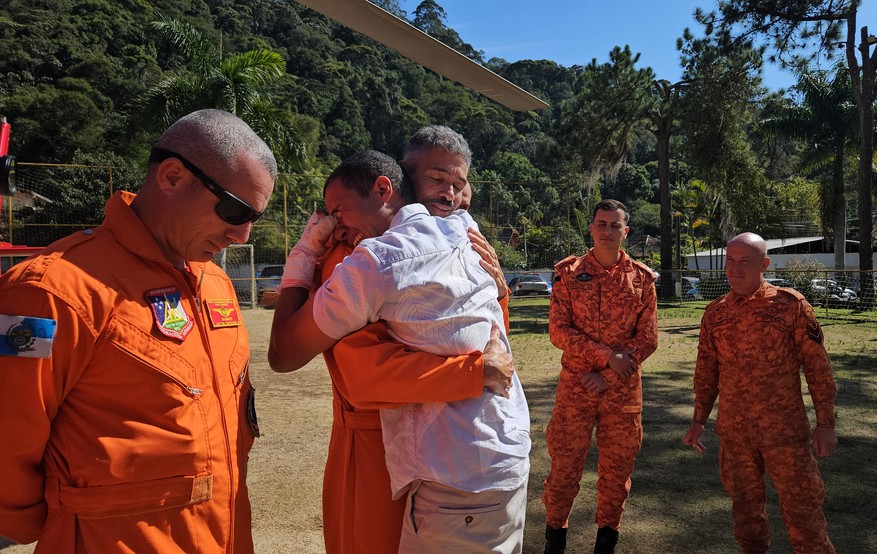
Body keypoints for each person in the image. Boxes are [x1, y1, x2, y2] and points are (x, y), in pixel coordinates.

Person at [0, 109, 276, 552]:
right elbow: (8, 442)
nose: (241, 235)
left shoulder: (216, 283)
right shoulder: (52, 291)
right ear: (170, 177)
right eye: (234, 210)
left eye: (253, 218)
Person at [269, 149, 530, 553]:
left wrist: (500, 293)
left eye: (458, 186)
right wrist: (474, 370)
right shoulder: (356, 254)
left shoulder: (459, 241)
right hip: (385, 446)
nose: (450, 196)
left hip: (431, 456)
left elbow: (494, 346)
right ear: (398, 185)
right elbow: (363, 372)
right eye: (436, 181)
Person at [683, 232, 837, 553]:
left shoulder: (790, 306)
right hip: (735, 435)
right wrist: (698, 420)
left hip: (784, 433)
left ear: (764, 264)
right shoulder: (715, 314)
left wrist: (825, 424)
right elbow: (706, 373)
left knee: (804, 518)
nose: (734, 270)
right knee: (746, 519)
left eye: (745, 262)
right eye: (729, 261)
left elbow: (818, 368)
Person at [542, 199, 659, 554]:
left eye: (614, 225)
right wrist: (605, 355)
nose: (607, 231)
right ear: (591, 228)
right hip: (576, 389)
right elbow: (558, 331)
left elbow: (648, 338)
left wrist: (608, 375)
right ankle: (554, 539)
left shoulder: (642, 279)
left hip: (622, 392)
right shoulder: (568, 272)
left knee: (616, 473)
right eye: (601, 224)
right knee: (564, 467)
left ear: (626, 231)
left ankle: (606, 541)